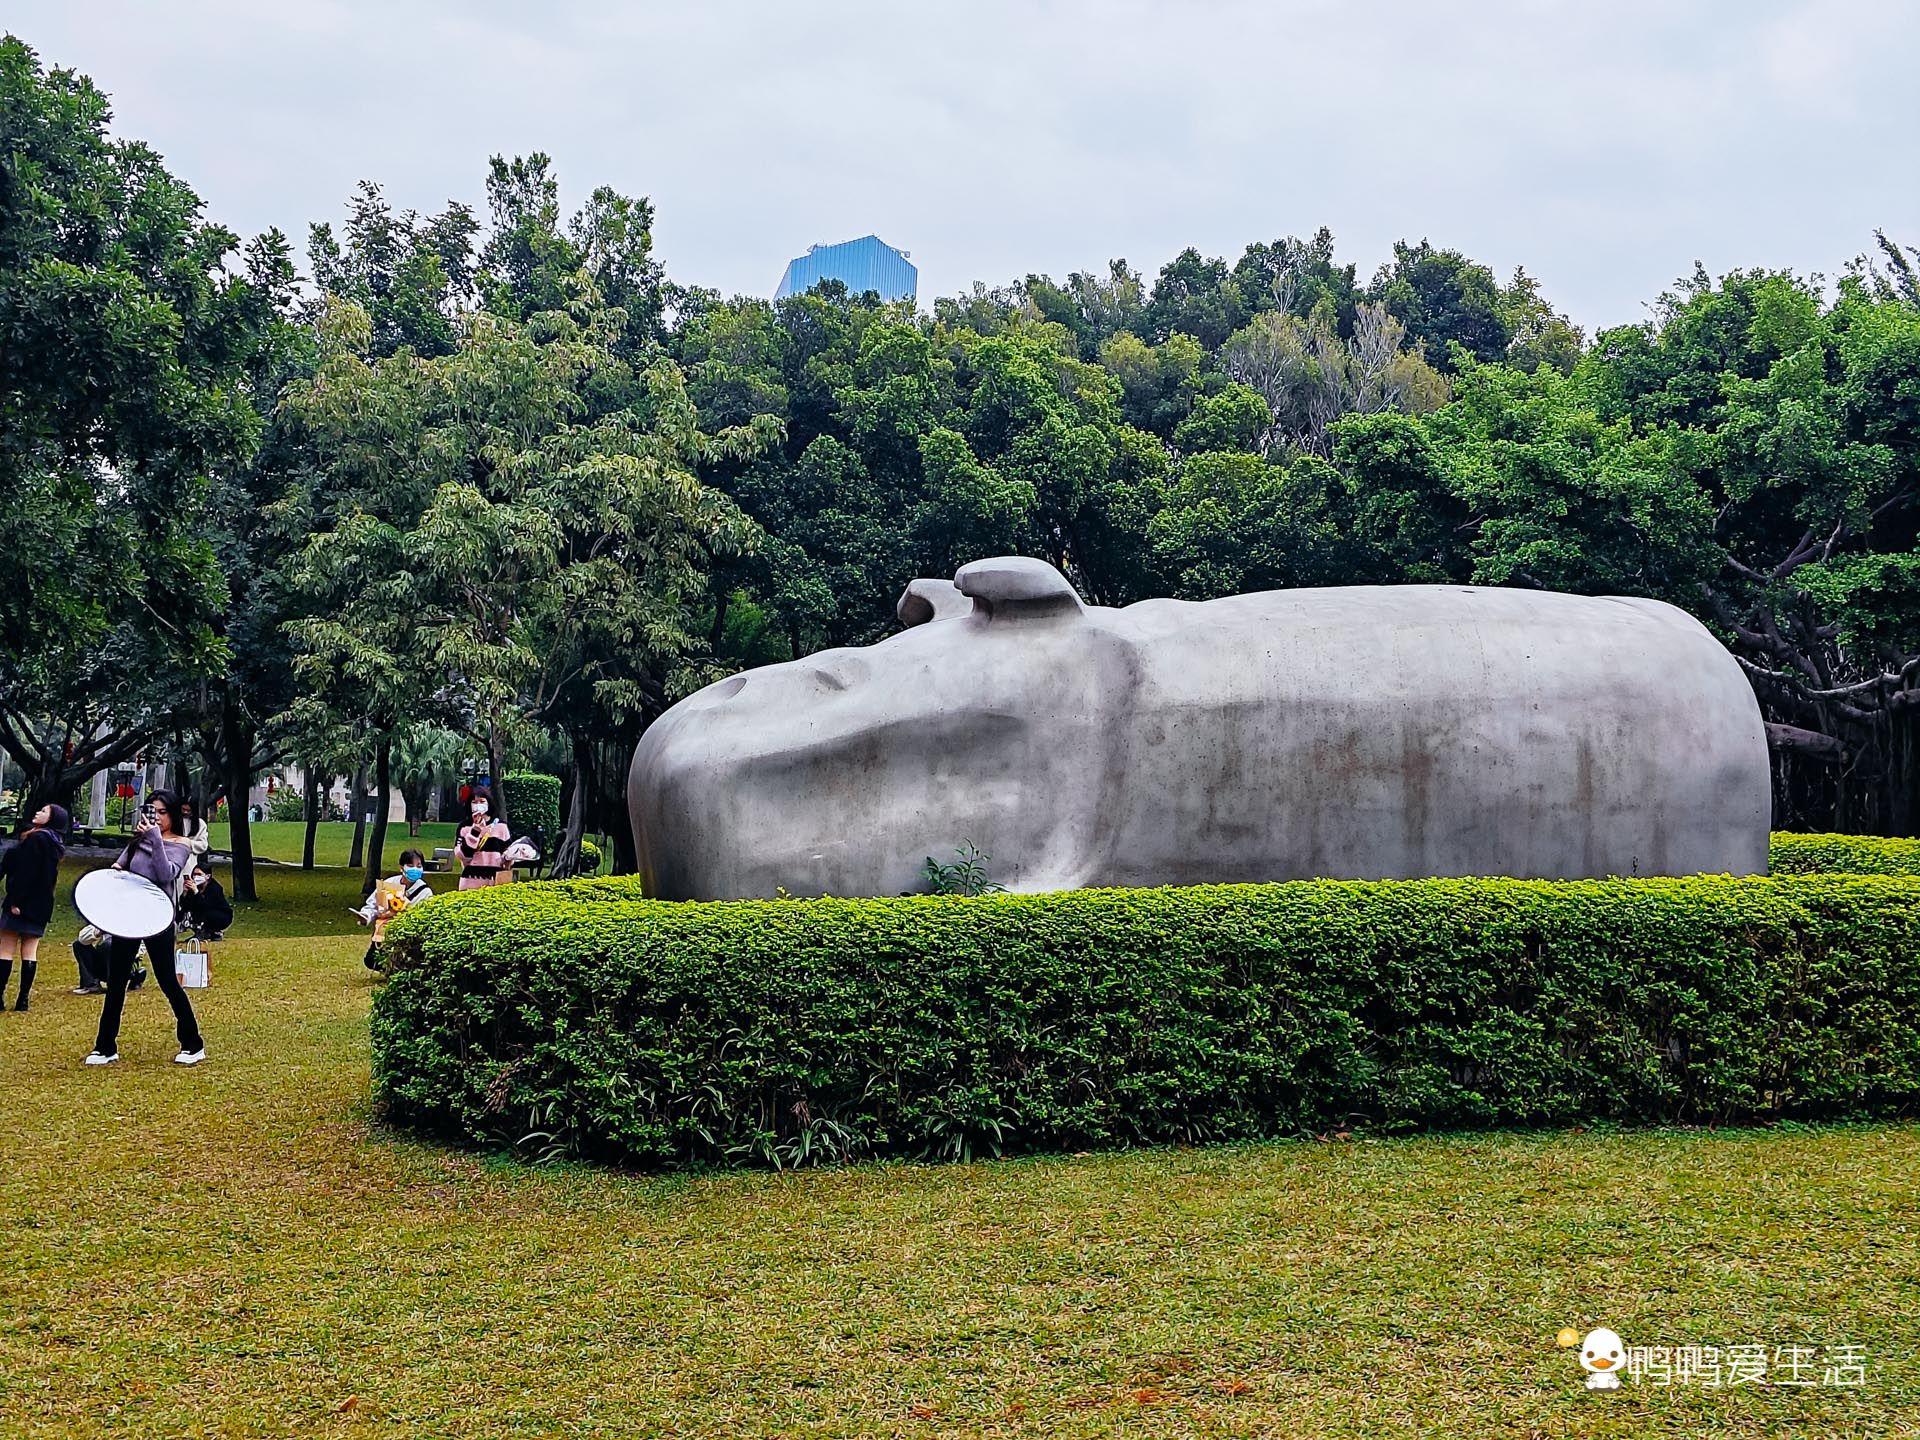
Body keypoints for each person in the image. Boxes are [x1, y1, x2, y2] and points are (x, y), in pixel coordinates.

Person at [86, 790, 206, 1067]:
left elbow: (166, 873)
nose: (157, 817)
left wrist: (154, 838)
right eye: (153, 811)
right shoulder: (139, 839)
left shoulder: (181, 844)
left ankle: (192, 1043)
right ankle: (105, 1046)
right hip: (129, 917)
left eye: (162, 812)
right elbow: (121, 867)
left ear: (173, 815)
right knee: (116, 982)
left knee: (166, 981)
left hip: (158, 918)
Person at [1, 803, 68, 1011]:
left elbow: (26, 873)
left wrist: (15, 900)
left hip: (23, 902)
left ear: (52, 818)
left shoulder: (36, 839)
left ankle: (0, 996)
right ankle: (23, 999)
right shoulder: (55, 843)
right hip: (41, 904)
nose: (38, 812)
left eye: (44, 811)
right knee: (30, 951)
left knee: (5, 949)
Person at [355, 848, 433, 971]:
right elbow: (373, 904)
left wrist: (396, 913)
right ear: (401, 868)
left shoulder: (425, 892)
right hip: (384, 931)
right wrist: (366, 916)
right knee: (372, 961)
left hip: (407, 935)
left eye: (419, 866)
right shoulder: (390, 883)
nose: (415, 869)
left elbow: (423, 918)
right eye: (410, 865)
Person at [454, 794, 512, 889]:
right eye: (474, 802)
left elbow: (507, 851)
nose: (478, 805)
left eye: (482, 801)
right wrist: (475, 832)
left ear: (489, 803)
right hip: (471, 880)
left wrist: (510, 857)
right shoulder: (464, 827)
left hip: (495, 880)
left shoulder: (501, 826)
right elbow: (463, 856)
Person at [177, 865, 233, 941]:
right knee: (184, 913)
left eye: (199, 874)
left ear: (208, 876)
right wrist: (185, 892)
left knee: (204, 913)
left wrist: (196, 892)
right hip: (203, 913)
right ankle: (207, 933)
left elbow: (206, 905)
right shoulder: (194, 887)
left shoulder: (214, 888)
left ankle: (207, 932)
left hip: (221, 916)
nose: (196, 877)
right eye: (194, 874)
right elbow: (184, 905)